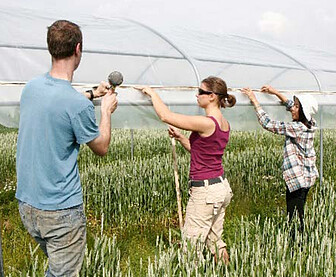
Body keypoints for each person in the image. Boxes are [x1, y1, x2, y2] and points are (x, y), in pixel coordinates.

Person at [16, 20, 118, 276]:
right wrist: (105, 111)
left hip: (27, 205)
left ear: (51, 48)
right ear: (78, 49)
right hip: (60, 211)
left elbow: (58, 102)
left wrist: (92, 93)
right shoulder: (76, 105)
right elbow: (102, 147)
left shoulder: (31, 88)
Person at [136, 76, 236, 264]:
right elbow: (202, 152)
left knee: (191, 248)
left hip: (205, 193)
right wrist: (182, 138)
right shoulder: (224, 123)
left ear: (212, 96)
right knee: (215, 241)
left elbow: (166, 116)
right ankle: (228, 270)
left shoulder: (207, 122)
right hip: (220, 188)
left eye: (201, 92)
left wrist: (152, 93)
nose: (197, 95)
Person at [241, 85, 318, 237]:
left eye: (296, 106)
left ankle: (297, 246)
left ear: (302, 111)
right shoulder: (310, 123)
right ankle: (299, 243)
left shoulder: (297, 128)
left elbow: (268, 124)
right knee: (297, 214)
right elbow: (291, 105)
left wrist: (254, 100)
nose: (292, 108)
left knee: (294, 217)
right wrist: (275, 92)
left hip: (298, 179)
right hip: (307, 177)